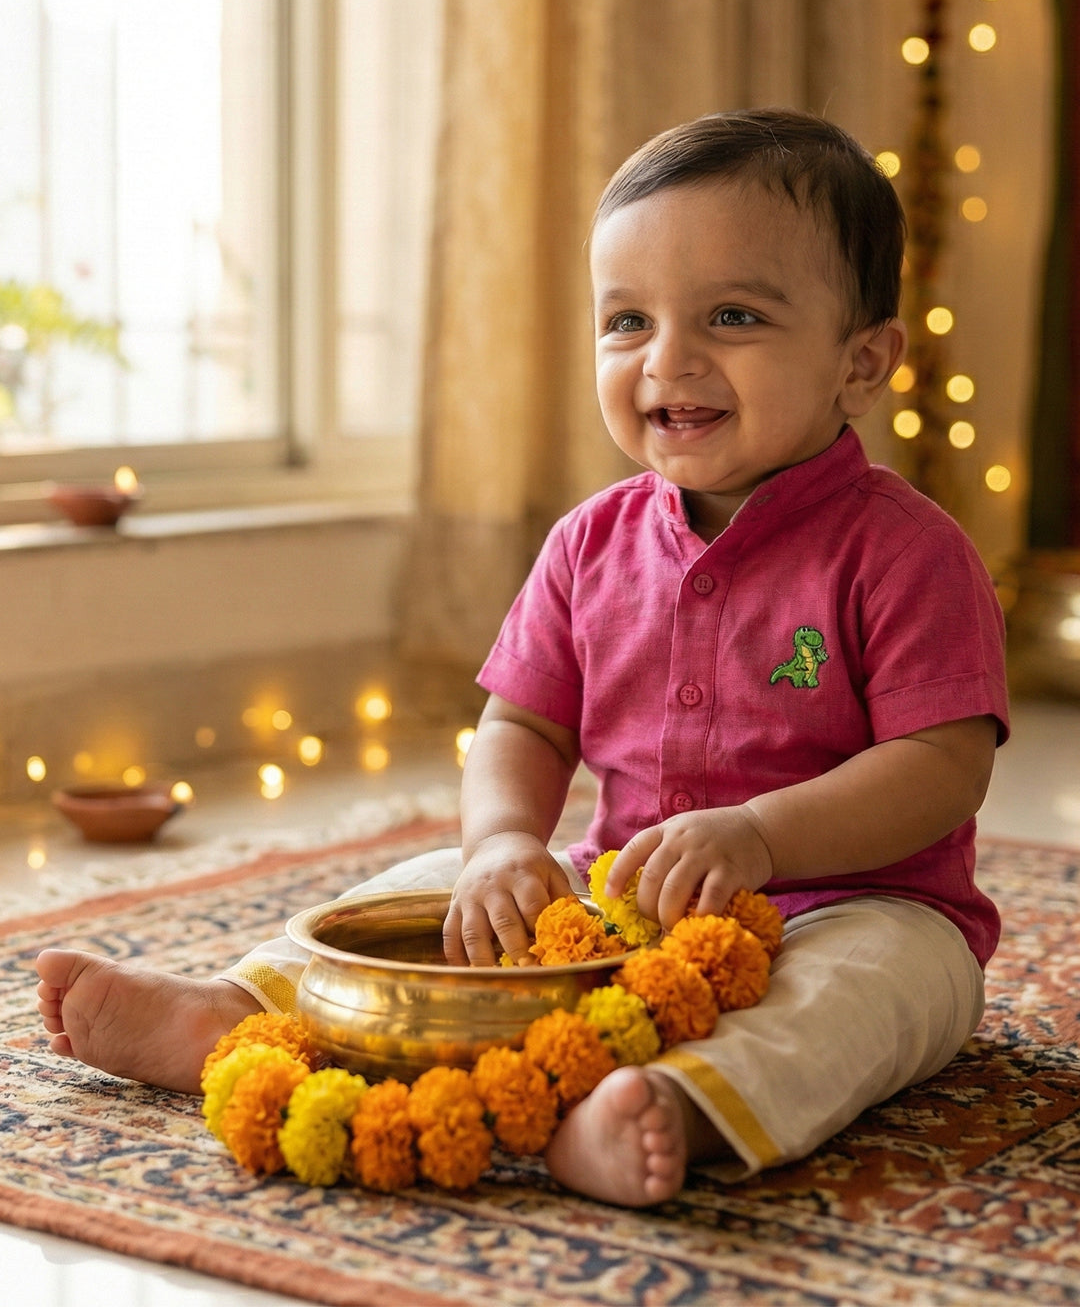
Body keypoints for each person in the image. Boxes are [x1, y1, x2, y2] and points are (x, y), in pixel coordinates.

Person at [36, 108, 1008, 1208]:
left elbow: (943, 766)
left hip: (858, 904)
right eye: (628, 320)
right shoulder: (588, 544)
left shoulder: (907, 552)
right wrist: (501, 843)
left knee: (870, 993)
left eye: (733, 316)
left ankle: (674, 1105)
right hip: (616, 898)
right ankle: (239, 1008)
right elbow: (522, 725)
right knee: (426, 893)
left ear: (862, 363)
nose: (668, 359)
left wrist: (761, 835)